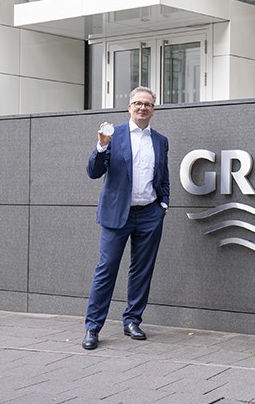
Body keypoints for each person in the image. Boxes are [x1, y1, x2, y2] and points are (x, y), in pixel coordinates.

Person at [82, 86, 170, 350]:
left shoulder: (160, 141)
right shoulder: (114, 135)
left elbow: (163, 176)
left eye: (148, 104)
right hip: (117, 214)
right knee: (106, 269)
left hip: (149, 214)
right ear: (129, 107)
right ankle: (93, 327)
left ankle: (132, 320)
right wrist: (101, 146)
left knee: (142, 270)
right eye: (138, 103)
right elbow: (93, 172)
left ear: (153, 110)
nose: (143, 107)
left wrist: (163, 204)